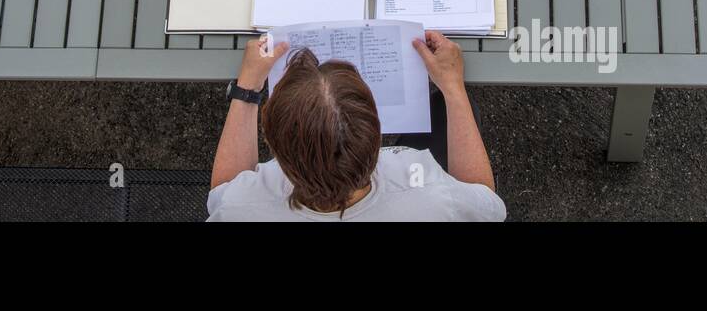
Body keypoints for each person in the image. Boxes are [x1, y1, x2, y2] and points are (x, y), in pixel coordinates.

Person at [208, 31, 505, 221]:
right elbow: (485, 201)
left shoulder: (241, 208)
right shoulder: (436, 196)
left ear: (273, 144)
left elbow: (223, 192)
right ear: (377, 137)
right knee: (441, 110)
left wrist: (247, 88)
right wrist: (453, 88)